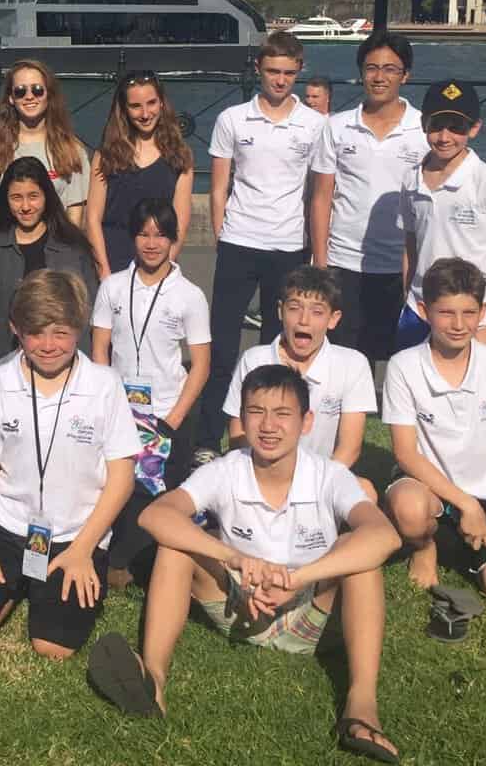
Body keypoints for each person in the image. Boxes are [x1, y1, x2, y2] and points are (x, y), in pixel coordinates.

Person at [86, 362, 401, 764]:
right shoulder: (225, 470)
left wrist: (298, 578)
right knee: (175, 546)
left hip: (311, 611)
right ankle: (154, 679)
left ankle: (361, 706)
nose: (268, 426)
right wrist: (233, 557)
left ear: (306, 422)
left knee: (362, 560)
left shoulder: (330, 474)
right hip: (238, 605)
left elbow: (385, 536)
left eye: (282, 413)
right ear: (241, 418)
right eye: (256, 411)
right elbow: (155, 516)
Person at [0, 269, 139, 660]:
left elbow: (122, 477)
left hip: (76, 534)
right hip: (7, 528)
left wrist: (83, 549)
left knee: (53, 646)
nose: (48, 345)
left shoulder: (105, 385)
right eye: (35, 333)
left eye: (61, 332)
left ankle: (38, 584)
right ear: (16, 329)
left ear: (79, 328)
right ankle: (16, 584)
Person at [382, 258, 486, 616]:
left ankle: (470, 554)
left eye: (469, 313)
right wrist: (466, 505)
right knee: (409, 509)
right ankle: (424, 547)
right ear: (425, 311)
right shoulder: (404, 365)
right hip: (430, 494)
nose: (458, 324)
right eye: (446, 313)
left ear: (483, 312)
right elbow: (405, 453)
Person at [199, 30, 327, 459]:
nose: (280, 80)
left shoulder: (314, 125)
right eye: (273, 71)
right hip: (239, 242)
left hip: (288, 246)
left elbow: (318, 192)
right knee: (222, 346)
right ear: (258, 69)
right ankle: (207, 438)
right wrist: (222, 232)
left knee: (276, 350)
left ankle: (267, 437)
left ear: (299, 71)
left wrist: (315, 252)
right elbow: (219, 185)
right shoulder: (232, 119)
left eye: (288, 73)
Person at [90, 198, 211, 586]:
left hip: (166, 411)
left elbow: (201, 365)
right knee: (118, 484)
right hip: (121, 410)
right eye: (143, 234)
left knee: (162, 492)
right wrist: (107, 401)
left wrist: (173, 417)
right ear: (132, 237)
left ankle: (159, 563)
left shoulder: (189, 295)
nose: (152, 243)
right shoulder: (112, 287)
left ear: (173, 238)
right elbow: (100, 348)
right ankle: (118, 558)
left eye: (160, 235)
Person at [309, 33, 426, 364]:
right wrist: (321, 264)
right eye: (371, 68)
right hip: (344, 263)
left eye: (390, 69)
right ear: (361, 72)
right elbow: (321, 198)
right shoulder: (337, 126)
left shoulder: (423, 129)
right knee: (346, 361)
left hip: (403, 266)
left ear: (406, 75)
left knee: (405, 362)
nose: (379, 77)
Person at [398, 79, 486, 352]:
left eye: (456, 127)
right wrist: (407, 296)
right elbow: (411, 245)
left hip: (469, 318)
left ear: (474, 128)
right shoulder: (411, 178)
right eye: (436, 125)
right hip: (419, 311)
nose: (444, 137)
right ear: (423, 124)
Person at [226, 267, 376, 475]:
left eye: (317, 312)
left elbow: (349, 449)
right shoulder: (254, 360)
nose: (304, 320)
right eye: (294, 308)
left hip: (324, 477)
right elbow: (238, 435)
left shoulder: (353, 364)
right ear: (280, 311)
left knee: (365, 489)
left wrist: (313, 485)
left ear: (333, 319)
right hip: (261, 475)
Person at [0, 156, 98, 371]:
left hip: (67, 367)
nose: (25, 206)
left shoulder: (73, 249)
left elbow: (90, 314)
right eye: (16, 198)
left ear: (47, 197)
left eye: (33, 196)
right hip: (7, 369)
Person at [0, 60, 91, 237]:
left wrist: (65, 249)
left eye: (37, 90)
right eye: (20, 91)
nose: (29, 96)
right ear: (11, 98)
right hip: (8, 248)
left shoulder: (72, 148)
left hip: (57, 247)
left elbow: (76, 214)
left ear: (49, 94)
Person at [86, 70, 194, 277]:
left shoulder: (180, 156)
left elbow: (180, 223)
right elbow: (92, 219)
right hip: (112, 261)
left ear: (161, 103)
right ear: (124, 109)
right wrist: (104, 272)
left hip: (159, 262)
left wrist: (163, 270)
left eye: (151, 103)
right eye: (135, 106)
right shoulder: (106, 155)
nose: (145, 114)